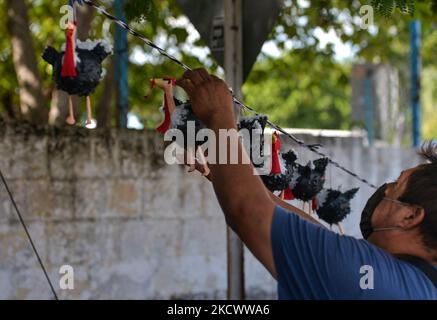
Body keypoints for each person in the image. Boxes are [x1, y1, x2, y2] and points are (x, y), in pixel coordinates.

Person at [176, 68, 437, 300]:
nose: (385, 189)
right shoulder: (415, 283)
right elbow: (315, 239)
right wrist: (224, 172)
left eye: (395, 186)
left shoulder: (366, 276)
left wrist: (219, 114)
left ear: (410, 215)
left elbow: (247, 210)